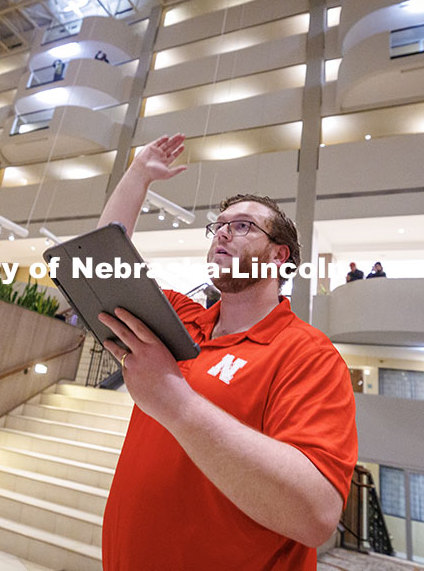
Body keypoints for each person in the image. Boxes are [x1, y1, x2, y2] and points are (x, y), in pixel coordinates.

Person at [95, 134, 358, 570]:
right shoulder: (180, 320)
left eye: (242, 226)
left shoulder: (308, 354)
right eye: (218, 226)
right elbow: (104, 268)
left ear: (278, 256)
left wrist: (176, 402)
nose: (222, 233)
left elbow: (316, 515)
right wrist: (138, 175)